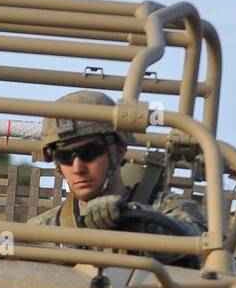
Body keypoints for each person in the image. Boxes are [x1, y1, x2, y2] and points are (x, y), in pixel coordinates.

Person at [29, 90, 206, 266]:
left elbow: (200, 248)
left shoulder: (169, 209)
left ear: (118, 151)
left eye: (89, 152)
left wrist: (134, 220)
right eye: (64, 156)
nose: (78, 168)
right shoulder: (44, 230)